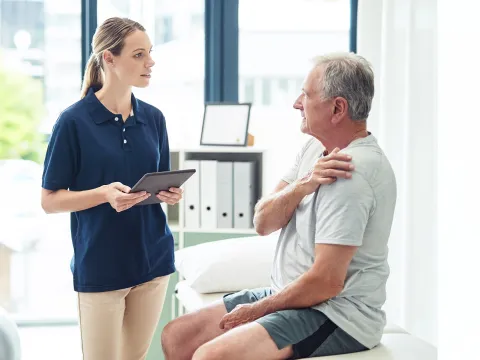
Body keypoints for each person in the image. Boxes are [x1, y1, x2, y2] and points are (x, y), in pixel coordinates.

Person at [161, 52, 397, 360]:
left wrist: (257, 310)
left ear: (338, 108)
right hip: (293, 296)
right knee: (177, 336)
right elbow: (263, 222)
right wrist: (304, 185)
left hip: (336, 314)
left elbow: (327, 282)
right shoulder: (315, 149)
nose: (297, 103)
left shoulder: (351, 173)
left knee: (212, 356)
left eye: (307, 95)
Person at [41, 17, 182, 360]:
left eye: (150, 53)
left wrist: (171, 193)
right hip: (102, 264)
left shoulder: (154, 118)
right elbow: (49, 201)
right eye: (138, 55)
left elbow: (157, 181)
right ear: (109, 58)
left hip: (154, 261)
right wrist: (103, 194)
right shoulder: (73, 122)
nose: (150, 62)